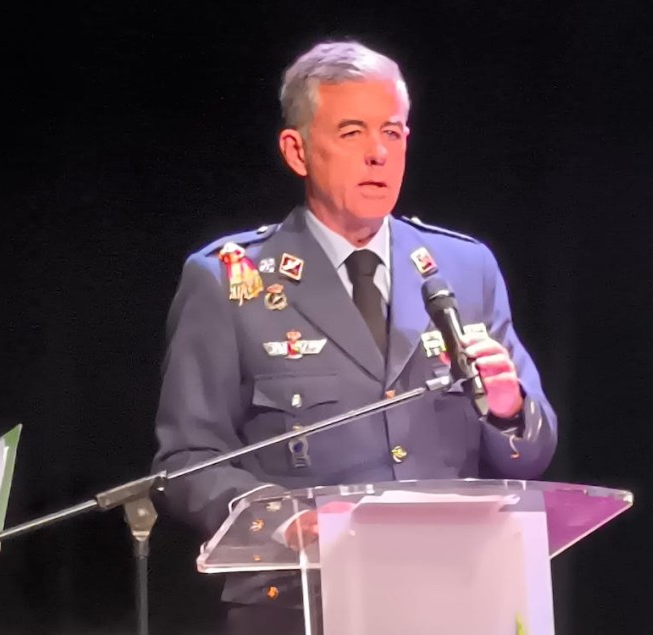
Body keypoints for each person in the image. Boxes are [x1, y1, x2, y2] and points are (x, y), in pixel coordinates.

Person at [152, 39, 557, 634]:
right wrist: (285, 518)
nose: (377, 153)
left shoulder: (464, 270)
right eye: (351, 132)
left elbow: (532, 450)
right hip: (299, 601)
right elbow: (187, 462)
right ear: (297, 151)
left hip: (458, 591)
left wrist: (508, 411)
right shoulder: (228, 280)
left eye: (392, 133)